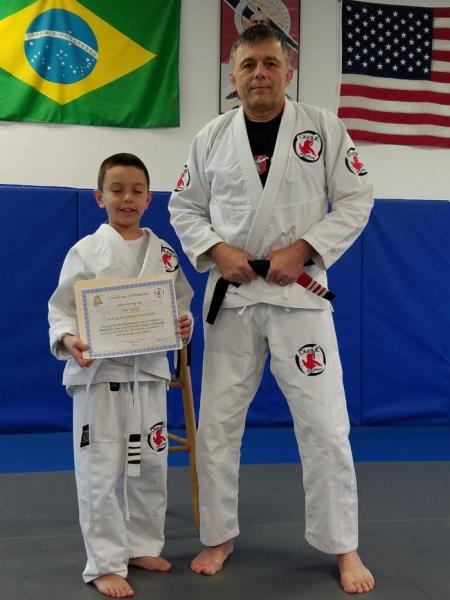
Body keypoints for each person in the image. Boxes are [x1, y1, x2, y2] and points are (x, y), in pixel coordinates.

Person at [169, 25, 375, 594]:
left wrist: (304, 248)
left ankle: (343, 544)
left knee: (326, 424)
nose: (259, 73)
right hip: (233, 299)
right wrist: (218, 251)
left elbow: (357, 198)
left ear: (288, 71)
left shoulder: (323, 129)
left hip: (297, 297)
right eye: (248, 65)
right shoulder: (211, 137)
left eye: (269, 63)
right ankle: (219, 535)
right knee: (216, 425)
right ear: (233, 76)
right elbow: (184, 206)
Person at [49, 153, 193, 598]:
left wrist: (183, 323)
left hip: (148, 374)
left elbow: (180, 303)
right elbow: (61, 308)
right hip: (100, 378)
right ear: (99, 197)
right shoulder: (85, 251)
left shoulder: (164, 253)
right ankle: (105, 562)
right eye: (116, 190)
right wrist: (69, 338)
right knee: (100, 469)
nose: (126, 198)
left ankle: (143, 545)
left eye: (136, 191)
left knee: (151, 463)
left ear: (149, 199)